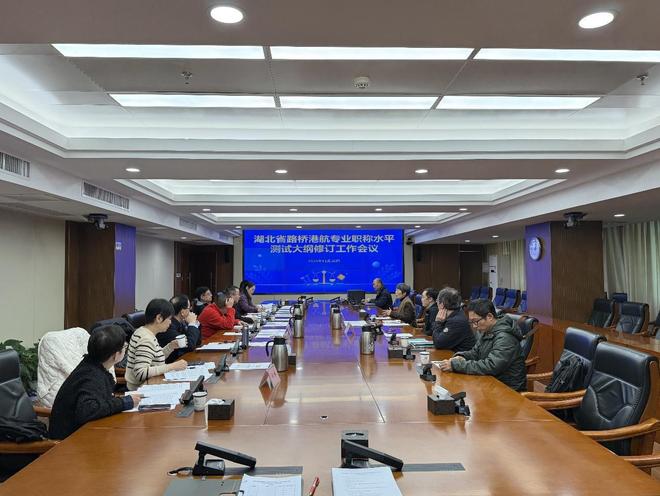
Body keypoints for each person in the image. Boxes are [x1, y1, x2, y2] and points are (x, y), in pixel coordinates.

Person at [49, 325, 141, 439]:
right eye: (124, 346)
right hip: (69, 441)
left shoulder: (91, 365)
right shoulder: (92, 376)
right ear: (116, 355)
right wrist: (124, 402)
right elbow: (88, 410)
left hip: (83, 432)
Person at [437, 299, 527, 391]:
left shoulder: (505, 337)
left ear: (489, 316)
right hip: (491, 383)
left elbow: (491, 366)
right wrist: (461, 357)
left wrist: (457, 365)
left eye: (476, 321)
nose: (474, 326)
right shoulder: (488, 331)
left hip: (508, 389)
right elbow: (475, 353)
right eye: (471, 322)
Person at [125, 299, 187, 390]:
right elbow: (141, 373)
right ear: (159, 318)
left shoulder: (145, 332)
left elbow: (155, 359)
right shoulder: (145, 339)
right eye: (169, 319)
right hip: (141, 389)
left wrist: (170, 346)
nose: (170, 322)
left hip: (151, 384)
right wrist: (172, 366)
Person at [156, 295, 201, 363]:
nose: (191, 310)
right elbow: (190, 346)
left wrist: (194, 324)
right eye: (189, 308)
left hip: (181, 360)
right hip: (170, 363)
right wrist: (192, 324)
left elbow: (197, 342)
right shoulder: (168, 326)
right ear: (182, 312)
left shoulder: (182, 322)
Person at [431, 287, 476, 351]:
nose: (436, 303)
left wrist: (438, 323)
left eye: (437, 301)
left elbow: (439, 344)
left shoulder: (456, 321)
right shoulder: (456, 314)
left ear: (442, 305)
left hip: (462, 356)